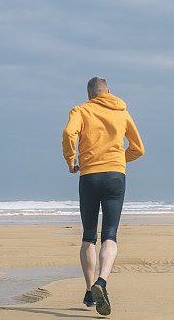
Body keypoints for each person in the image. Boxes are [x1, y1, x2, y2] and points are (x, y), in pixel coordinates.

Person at [62, 77, 145, 316]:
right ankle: (102, 282)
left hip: (89, 176)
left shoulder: (81, 109)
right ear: (109, 91)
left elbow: (69, 132)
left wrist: (71, 160)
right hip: (115, 177)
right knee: (110, 235)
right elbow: (138, 148)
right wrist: (118, 159)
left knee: (88, 236)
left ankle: (89, 290)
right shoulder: (122, 111)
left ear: (89, 94)